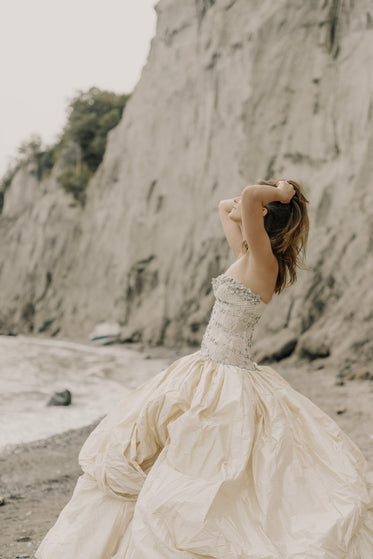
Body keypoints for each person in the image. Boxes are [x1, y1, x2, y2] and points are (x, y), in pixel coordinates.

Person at [35, 179, 373, 559]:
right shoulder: (248, 253)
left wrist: (280, 192)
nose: (244, 206)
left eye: (256, 205)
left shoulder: (264, 260)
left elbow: (243, 198)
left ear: (261, 215)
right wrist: (265, 201)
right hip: (206, 369)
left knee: (202, 470)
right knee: (171, 458)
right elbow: (224, 205)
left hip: (225, 376)